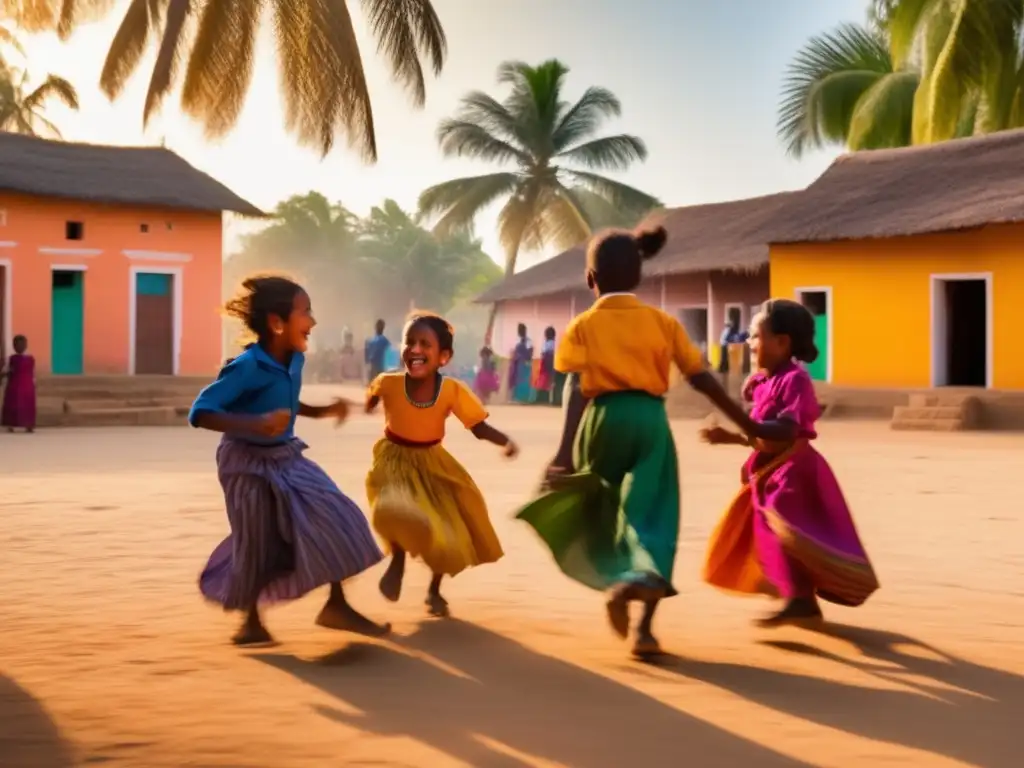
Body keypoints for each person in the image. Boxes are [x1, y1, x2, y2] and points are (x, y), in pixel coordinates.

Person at [515, 226, 770, 658]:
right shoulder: (663, 323)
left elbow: (575, 388)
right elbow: (701, 378)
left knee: (599, 505)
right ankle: (645, 630)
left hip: (600, 422)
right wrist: (747, 421)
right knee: (655, 514)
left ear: (590, 279)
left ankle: (615, 574)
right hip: (649, 421)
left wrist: (563, 453)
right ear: (639, 277)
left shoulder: (583, 325)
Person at [189, 275, 390, 646]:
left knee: (334, 512)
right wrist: (254, 423)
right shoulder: (246, 366)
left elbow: (287, 404)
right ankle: (251, 622)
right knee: (258, 538)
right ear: (276, 323)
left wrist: (324, 409)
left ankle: (336, 605)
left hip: (285, 454)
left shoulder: (294, 359)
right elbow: (201, 412)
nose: (312, 321)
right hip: (245, 462)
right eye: (305, 312)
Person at [701, 299, 879, 627]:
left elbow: (785, 429)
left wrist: (740, 418)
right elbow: (761, 434)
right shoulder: (760, 383)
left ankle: (800, 599)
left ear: (782, 342)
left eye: (755, 336)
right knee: (775, 530)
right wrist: (733, 436)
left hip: (795, 470)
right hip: (769, 471)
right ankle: (801, 601)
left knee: (785, 527)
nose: (749, 344)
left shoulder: (795, 381)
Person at [366, 311, 518, 618]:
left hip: (433, 463)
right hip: (393, 459)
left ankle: (434, 590)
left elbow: (477, 426)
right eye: (410, 342)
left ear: (444, 357)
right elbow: (371, 398)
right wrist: (369, 402)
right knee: (392, 508)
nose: (416, 350)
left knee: (447, 532)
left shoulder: (451, 390)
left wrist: (505, 441)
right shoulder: (389, 382)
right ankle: (397, 558)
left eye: (425, 344)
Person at [1, 335, 36, 433]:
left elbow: (32, 373)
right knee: (17, 405)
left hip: (22, 385)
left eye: (21, 344)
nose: (19, 347)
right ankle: (22, 425)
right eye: (17, 345)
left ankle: (25, 425)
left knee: (23, 405)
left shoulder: (25, 359)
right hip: (19, 385)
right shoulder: (16, 359)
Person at [506, 323, 533, 402]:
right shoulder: (516, 340)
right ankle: (516, 397)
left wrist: (526, 358)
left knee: (524, 380)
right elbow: (512, 352)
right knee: (516, 380)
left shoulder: (528, 341)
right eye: (520, 330)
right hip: (517, 363)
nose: (521, 332)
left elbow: (531, 352)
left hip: (524, 363)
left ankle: (524, 398)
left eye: (522, 330)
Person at [535, 326, 557, 404]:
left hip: (547, 362)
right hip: (549, 363)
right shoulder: (552, 343)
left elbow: (546, 353)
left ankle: (543, 398)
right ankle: (548, 399)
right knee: (549, 380)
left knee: (545, 380)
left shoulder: (549, 343)